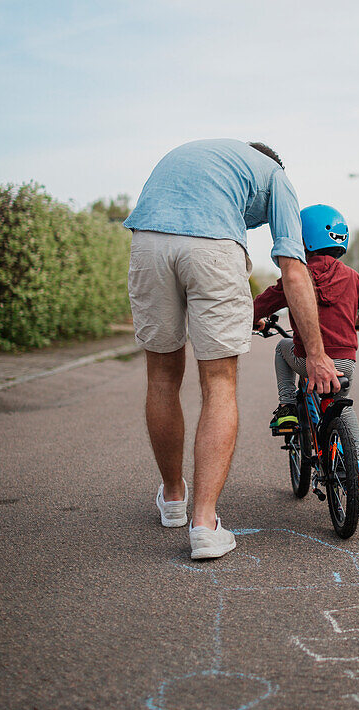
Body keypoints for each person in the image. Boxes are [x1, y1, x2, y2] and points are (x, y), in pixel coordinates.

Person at [124, 140, 340, 560]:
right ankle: (204, 524)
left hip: (147, 241)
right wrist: (315, 353)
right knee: (219, 383)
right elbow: (294, 271)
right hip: (212, 248)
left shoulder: (198, 156)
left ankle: (172, 499)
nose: (253, 224)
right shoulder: (276, 176)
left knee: (162, 378)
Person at [253, 203, 359, 495]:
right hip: (345, 362)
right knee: (343, 403)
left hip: (306, 360)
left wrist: (258, 322)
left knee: (281, 348)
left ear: (303, 239)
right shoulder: (353, 277)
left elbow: (260, 306)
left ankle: (287, 407)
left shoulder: (296, 277)